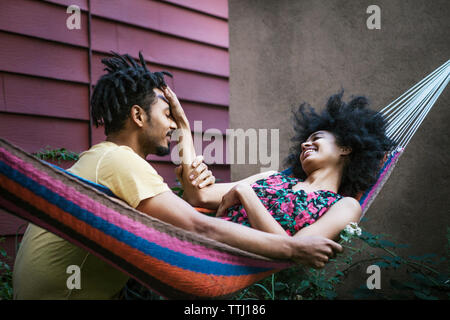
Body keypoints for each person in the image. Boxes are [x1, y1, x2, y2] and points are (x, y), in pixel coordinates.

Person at [13, 52, 342, 300]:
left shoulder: (109, 158)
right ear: (139, 116)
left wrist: (184, 125)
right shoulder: (119, 161)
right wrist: (293, 250)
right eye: (167, 116)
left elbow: (193, 200)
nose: (171, 125)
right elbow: (199, 225)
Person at [180, 92, 393, 241]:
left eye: (316, 137)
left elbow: (295, 248)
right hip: (200, 243)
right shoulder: (275, 178)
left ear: (345, 148)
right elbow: (200, 196)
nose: (304, 144)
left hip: (228, 261)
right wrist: (182, 126)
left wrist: (246, 194)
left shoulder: (345, 206)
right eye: (304, 140)